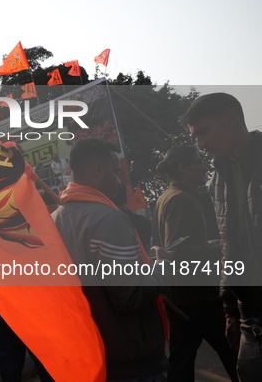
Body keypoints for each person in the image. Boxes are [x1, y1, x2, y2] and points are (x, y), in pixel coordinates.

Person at [52, 139, 168, 381]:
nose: (118, 180)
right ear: (98, 170)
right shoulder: (107, 217)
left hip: (94, 348)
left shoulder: (55, 219)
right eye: (115, 172)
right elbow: (129, 295)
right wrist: (162, 269)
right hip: (128, 353)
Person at [180, 92, 262, 381]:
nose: (200, 144)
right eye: (195, 137)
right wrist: (229, 309)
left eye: (203, 132)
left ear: (231, 119)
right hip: (249, 316)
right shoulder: (217, 182)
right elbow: (229, 247)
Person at [152, 145, 238, 381]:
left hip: (183, 296)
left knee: (181, 362)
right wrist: (219, 248)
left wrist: (207, 244)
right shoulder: (180, 199)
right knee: (235, 353)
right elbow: (176, 250)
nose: (203, 167)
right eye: (197, 162)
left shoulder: (168, 196)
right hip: (198, 295)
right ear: (183, 168)